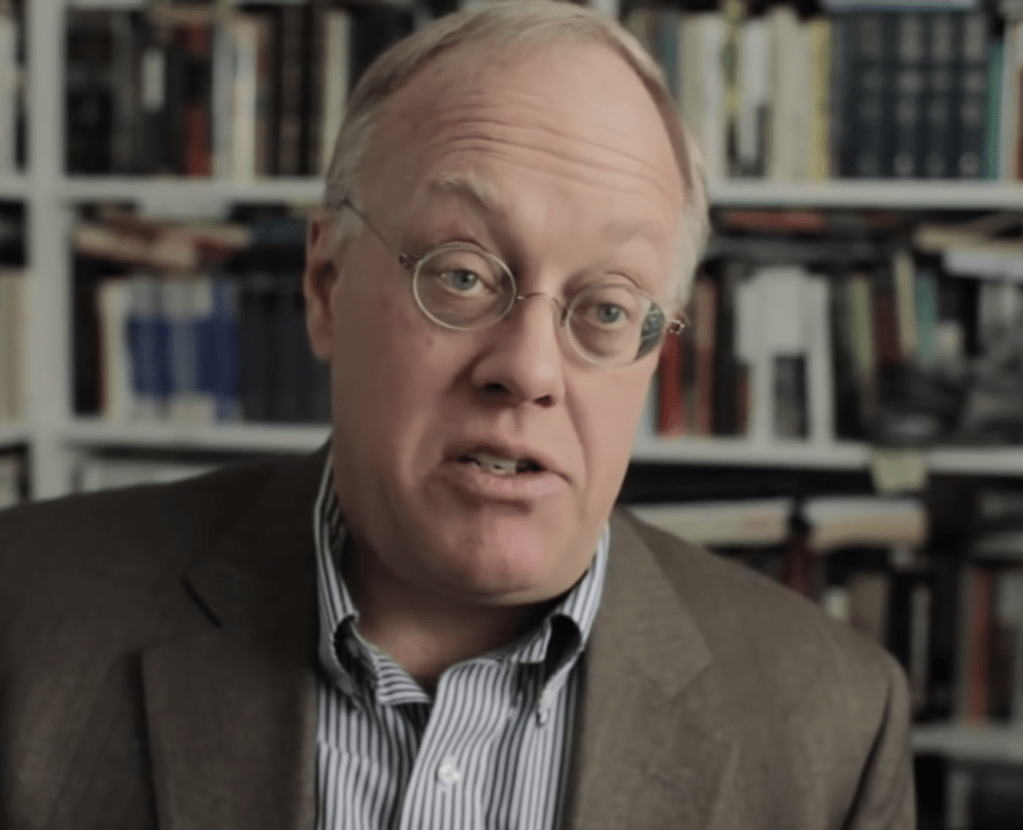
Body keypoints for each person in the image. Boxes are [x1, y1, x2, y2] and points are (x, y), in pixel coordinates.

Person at [0, 2, 914, 828]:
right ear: (324, 285)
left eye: (605, 307)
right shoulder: (24, 618)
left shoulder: (833, 729)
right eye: (464, 276)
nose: (528, 371)